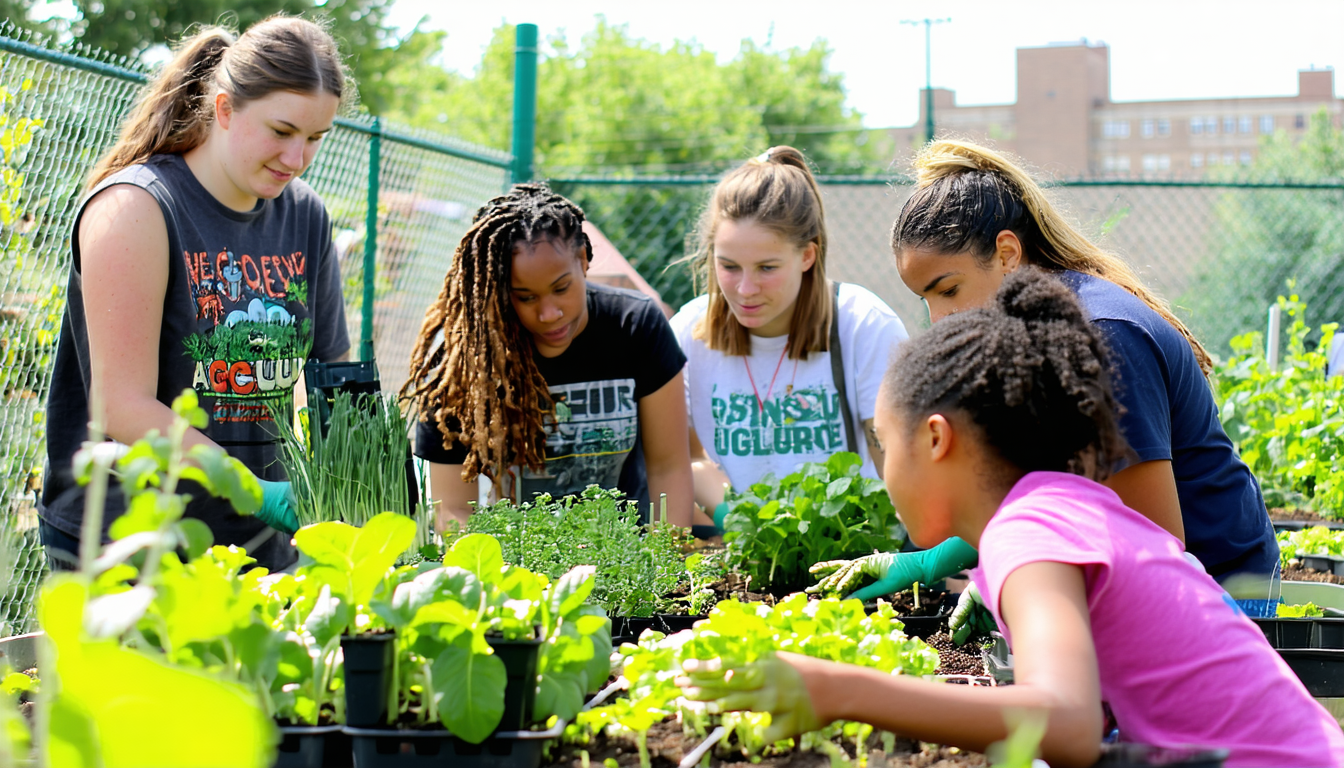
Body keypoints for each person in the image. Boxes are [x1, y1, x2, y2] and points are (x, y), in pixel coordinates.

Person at [682, 269, 1344, 767]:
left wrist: (840, 689)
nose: (883, 471)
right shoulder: (1071, 506)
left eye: (885, 444)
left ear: (937, 440)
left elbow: (1065, 724)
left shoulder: (1027, 534)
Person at [812, 140, 1278, 616]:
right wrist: (928, 561)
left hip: (1224, 595)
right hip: (1145, 586)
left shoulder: (1104, 337)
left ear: (1008, 254)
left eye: (949, 290)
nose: (939, 320)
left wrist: (1016, 568)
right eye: (925, 300)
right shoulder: (1023, 337)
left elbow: (1155, 537)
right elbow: (1038, 487)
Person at [39, 17, 351, 571]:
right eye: (281, 132)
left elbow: (322, 375)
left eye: (315, 139)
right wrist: (251, 487)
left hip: (262, 547)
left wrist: (331, 485)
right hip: (131, 545)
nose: (298, 158)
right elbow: (121, 405)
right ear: (225, 109)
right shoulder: (136, 208)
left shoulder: (305, 215)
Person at [404, 183, 692, 531]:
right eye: (525, 297)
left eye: (561, 288)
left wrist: (666, 563)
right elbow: (452, 510)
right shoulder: (467, 358)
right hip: (521, 569)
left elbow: (669, 468)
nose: (549, 313)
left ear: (583, 261)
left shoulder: (635, 326)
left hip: (630, 560)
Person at [669, 147, 908, 529]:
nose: (745, 289)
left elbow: (895, 464)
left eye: (767, 268)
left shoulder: (864, 324)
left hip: (849, 548)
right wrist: (744, 523)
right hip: (740, 553)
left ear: (807, 256)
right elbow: (686, 457)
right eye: (729, 266)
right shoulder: (686, 332)